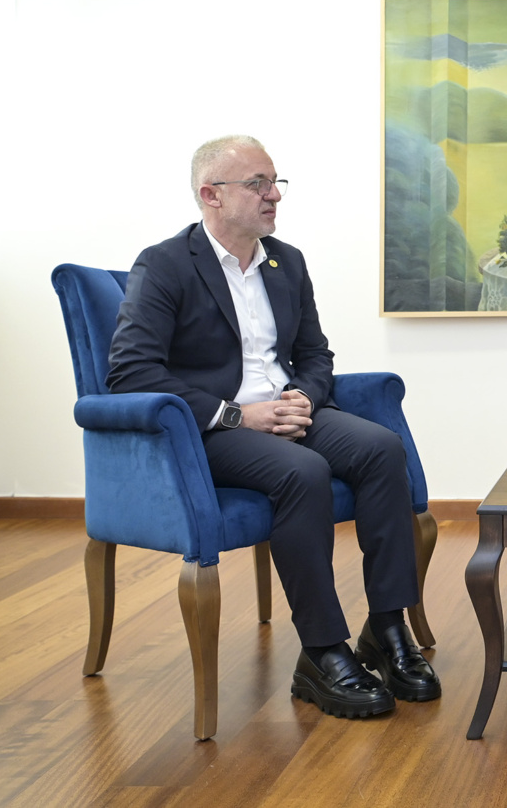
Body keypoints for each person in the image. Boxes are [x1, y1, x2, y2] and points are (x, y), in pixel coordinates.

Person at [107, 134, 440, 719]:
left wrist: (302, 397)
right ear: (211, 195)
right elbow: (130, 372)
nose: (274, 195)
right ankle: (322, 651)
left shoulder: (287, 262)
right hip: (213, 431)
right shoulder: (164, 264)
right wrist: (240, 414)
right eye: (257, 184)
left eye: (275, 182)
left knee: (382, 449)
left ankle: (387, 628)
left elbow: (315, 354)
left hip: (287, 412)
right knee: (302, 472)